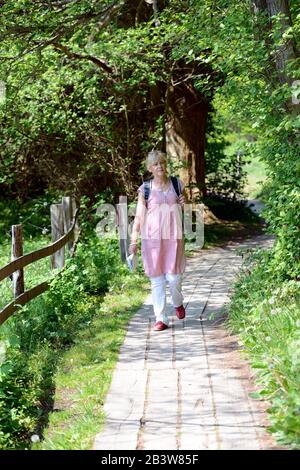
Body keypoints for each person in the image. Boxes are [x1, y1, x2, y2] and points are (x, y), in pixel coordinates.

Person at [128, 150, 186, 331]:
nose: (160, 166)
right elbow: (139, 215)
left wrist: (185, 203)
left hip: (173, 238)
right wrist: (134, 240)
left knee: (174, 278)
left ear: (165, 164)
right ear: (150, 168)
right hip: (152, 240)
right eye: (155, 164)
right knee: (157, 280)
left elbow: (184, 208)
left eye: (162, 163)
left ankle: (178, 302)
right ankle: (161, 318)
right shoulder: (145, 189)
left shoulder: (177, 184)